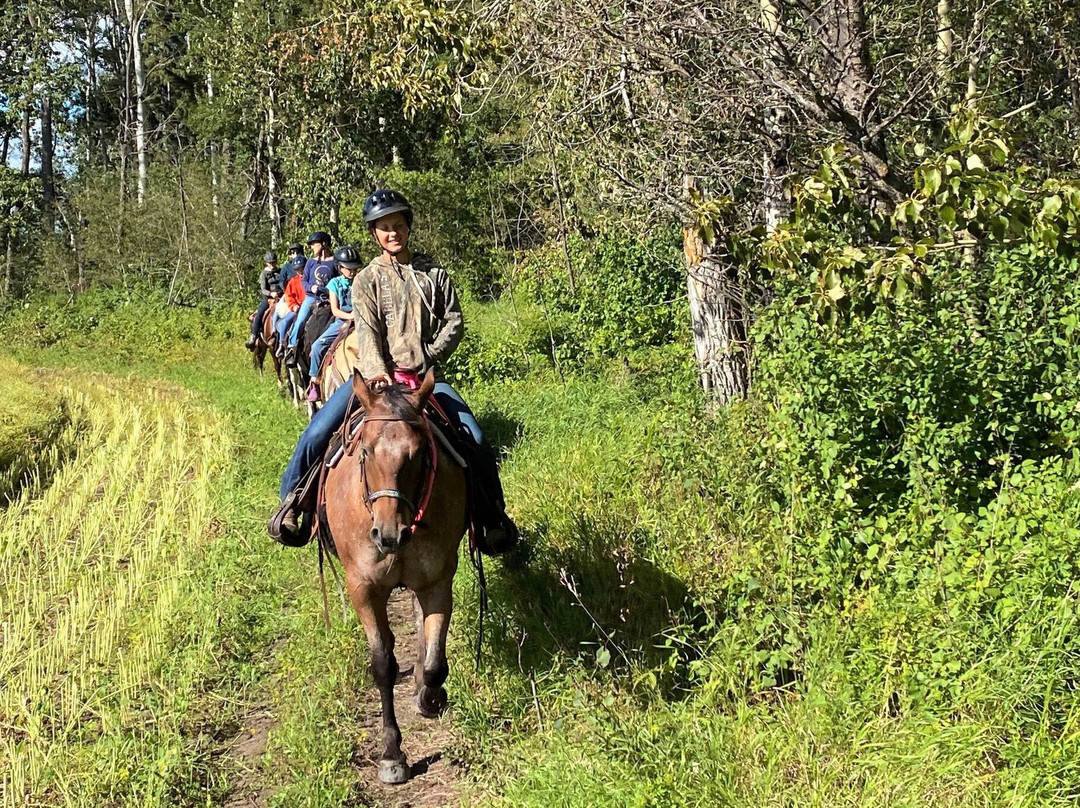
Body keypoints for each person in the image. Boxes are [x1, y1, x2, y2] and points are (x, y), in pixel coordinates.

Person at [268, 189, 518, 554]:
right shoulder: (366, 278)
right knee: (318, 431)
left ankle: (492, 519)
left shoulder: (433, 274)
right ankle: (293, 505)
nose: (392, 233)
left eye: (398, 225)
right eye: (384, 228)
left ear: (408, 227)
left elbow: (454, 321)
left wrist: (428, 356)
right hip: (375, 381)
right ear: (375, 234)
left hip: (425, 381)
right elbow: (366, 331)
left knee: (475, 438)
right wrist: (377, 371)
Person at [306, 244, 360, 402]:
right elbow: (335, 310)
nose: (352, 271)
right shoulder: (334, 284)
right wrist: (350, 317)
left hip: (362, 319)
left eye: (354, 268)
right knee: (317, 346)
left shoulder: (361, 281)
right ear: (340, 268)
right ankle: (314, 381)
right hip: (343, 320)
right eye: (348, 268)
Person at [286, 232, 336, 366]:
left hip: (331, 298)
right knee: (300, 320)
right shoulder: (310, 262)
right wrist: (311, 287)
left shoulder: (335, 262)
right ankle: (292, 348)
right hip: (312, 297)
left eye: (314, 244)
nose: (312, 247)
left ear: (324, 244)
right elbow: (304, 281)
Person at [247, 252, 281, 351]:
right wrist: (271, 294)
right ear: (266, 263)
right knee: (259, 314)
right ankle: (253, 337)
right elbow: (263, 289)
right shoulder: (264, 274)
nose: (272, 264)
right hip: (268, 298)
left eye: (274, 262)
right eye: (270, 263)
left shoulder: (280, 271)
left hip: (281, 296)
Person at [274, 266, 306, 355]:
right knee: (285, 322)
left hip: (309, 306)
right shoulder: (293, 281)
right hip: (297, 307)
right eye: (298, 270)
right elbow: (289, 296)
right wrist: (294, 306)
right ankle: (281, 345)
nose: (300, 271)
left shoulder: (310, 278)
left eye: (301, 269)